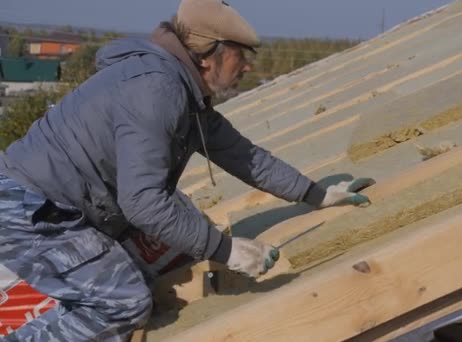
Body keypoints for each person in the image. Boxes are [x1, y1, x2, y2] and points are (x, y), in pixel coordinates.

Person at [0, 0, 374, 340]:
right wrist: (227, 251)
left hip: (67, 203)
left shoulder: (183, 94)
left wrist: (317, 194)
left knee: (160, 261)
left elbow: (245, 157)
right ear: (209, 55)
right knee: (124, 303)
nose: (247, 65)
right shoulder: (158, 92)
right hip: (34, 210)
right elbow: (143, 202)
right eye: (240, 55)